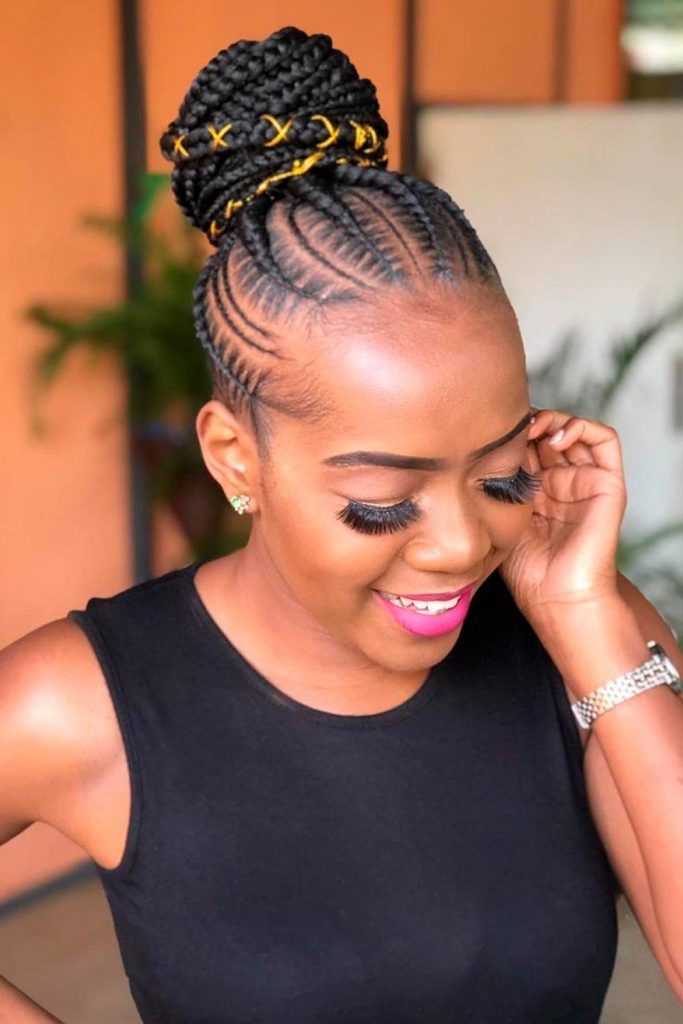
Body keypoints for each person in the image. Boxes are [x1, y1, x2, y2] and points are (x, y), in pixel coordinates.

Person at [2, 23, 683, 1024]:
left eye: (500, 474)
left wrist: (584, 620)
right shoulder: (83, 702)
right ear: (235, 457)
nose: (458, 544)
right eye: (380, 501)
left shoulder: (585, 639)